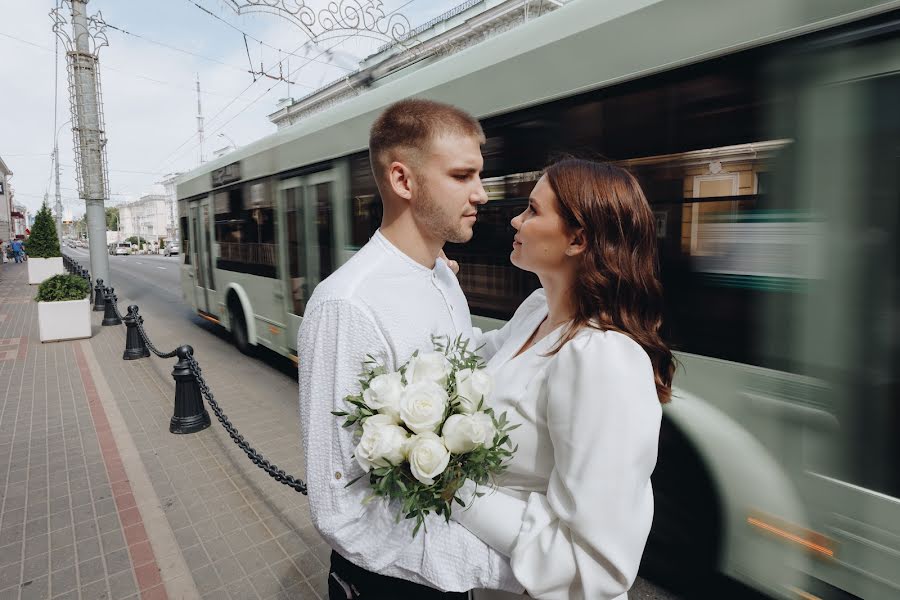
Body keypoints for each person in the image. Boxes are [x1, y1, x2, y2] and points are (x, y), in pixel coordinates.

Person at [297, 99, 523, 599]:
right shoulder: (346, 306)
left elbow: (462, 361)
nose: (482, 194)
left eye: (479, 176)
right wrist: (504, 569)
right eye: (462, 176)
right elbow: (341, 507)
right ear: (403, 181)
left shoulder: (442, 273)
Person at [450, 159, 675, 600]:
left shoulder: (603, 358)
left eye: (532, 210)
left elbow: (595, 564)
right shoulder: (537, 309)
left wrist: (452, 489)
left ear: (578, 239)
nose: (516, 219)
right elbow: (468, 359)